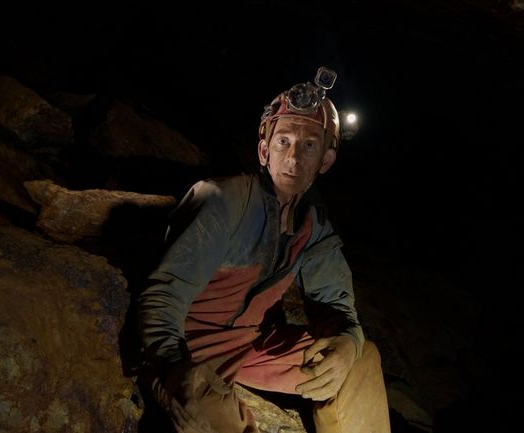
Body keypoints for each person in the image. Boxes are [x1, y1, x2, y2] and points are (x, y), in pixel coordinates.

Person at [137, 67, 390, 433]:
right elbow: (163, 297)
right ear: (263, 150)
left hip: (252, 348)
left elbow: (335, 305)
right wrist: (172, 370)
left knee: (360, 357)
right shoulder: (223, 200)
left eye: (309, 146)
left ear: (326, 160)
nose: (293, 159)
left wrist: (347, 343)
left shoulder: (312, 224)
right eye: (283, 141)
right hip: (190, 353)